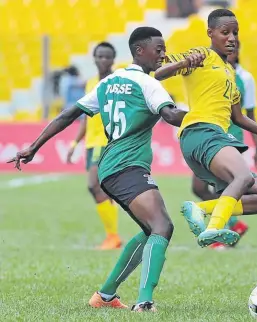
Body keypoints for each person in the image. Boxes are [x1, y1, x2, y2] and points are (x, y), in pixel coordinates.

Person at [8, 27, 203, 313]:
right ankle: (145, 303)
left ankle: (106, 295)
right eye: (158, 49)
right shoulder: (148, 84)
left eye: (164, 49)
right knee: (162, 226)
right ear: (140, 51)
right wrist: (207, 117)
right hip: (126, 165)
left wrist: (34, 147)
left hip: (110, 165)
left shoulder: (110, 82)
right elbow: (171, 115)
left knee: (152, 230)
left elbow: (67, 114)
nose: (162, 55)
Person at [155, 8, 257, 248]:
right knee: (243, 177)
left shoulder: (230, 73)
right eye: (225, 32)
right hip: (201, 131)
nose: (232, 38)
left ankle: (201, 209)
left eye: (235, 33)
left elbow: (238, 117)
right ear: (210, 33)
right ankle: (215, 227)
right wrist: (186, 62)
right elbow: (159, 73)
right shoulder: (201, 56)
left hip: (216, 135)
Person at [190, 40, 257, 250]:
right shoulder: (211, 70)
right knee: (199, 187)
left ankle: (219, 233)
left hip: (229, 137)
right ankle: (233, 224)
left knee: (225, 187)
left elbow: (250, 114)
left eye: (235, 46)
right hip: (209, 135)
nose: (231, 49)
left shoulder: (245, 78)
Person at [66, 42, 121, 250]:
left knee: (93, 185)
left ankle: (113, 236)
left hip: (106, 142)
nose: (103, 60)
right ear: (94, 58)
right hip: (91, 142)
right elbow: (85, 117)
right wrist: (74, 143)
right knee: (101, 190)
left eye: (107, 57)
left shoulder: (117, 82)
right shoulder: (90, 83)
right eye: (100, 56)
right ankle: (112, 235)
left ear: (113, 60)